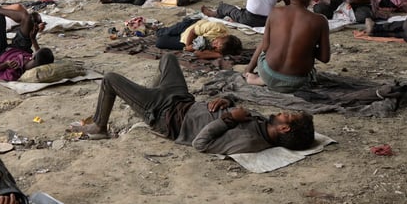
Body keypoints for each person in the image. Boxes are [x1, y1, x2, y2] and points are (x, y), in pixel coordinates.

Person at [68, 51, 315, 147]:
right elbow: (231, 112)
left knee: (110, 78)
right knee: (168, 59)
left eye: (288, 116)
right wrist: (226, 101)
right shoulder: (264, 125)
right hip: (182, 101)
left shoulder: (250, 141)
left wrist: (228, 118)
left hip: (166, 116)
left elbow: (201, 143)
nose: (283, 112)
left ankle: (99, 126)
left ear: (284, 128)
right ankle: (148, 97)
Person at [244, 0, 331, 93]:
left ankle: (254, 75)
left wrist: (249, 70)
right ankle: (265, 80)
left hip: (268, 73)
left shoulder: (275, 12)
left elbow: (265, 47)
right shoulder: (320, 20)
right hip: (296, 82)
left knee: (266, 41)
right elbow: (325, 58)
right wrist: (305, 46)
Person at [0, 0, 53, 81]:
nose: (35, 51)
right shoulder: (34, 61)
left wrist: (6, 64)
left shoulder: (16, 69)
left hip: (2, 54)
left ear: (34, 57)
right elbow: (39, 56)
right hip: (21, 49)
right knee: (27, 18)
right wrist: (33, 39)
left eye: (36, 52)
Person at [153, 17, 243, 59]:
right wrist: (188, 46)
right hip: (190, 28)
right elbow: (193, 31)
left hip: (190, 41)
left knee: (160, 42)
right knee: (162, 32)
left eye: (216, 48)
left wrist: (218, 55)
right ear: (223, 37)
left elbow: (197, 53)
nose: (214, 45)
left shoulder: (221, 49)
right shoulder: (217, 28)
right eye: (216, 43)